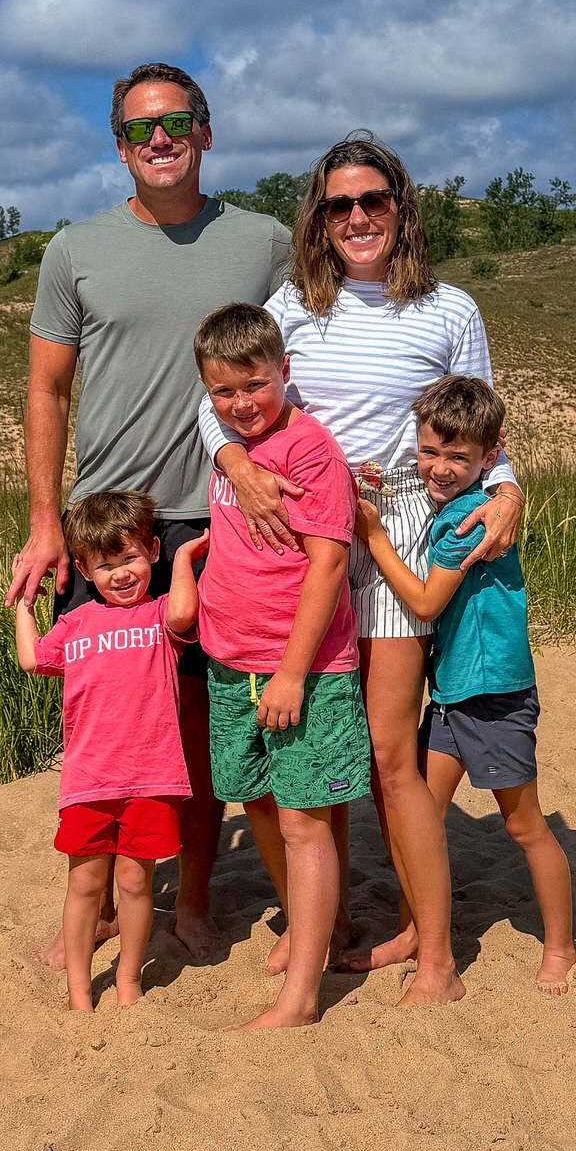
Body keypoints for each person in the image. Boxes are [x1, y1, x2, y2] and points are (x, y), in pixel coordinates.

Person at [199, 134, 523, 1006]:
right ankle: (327, 923)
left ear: (401, 206)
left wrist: (510, 493)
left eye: (372, 199)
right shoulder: (294, 307)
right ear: (318, 217)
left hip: (397, 531)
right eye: (338, 204)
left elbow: (485, 434)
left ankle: (437, 958)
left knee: (386, 750)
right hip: (296, 541)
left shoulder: (450, 309)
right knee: (314, 748)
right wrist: (234, 465)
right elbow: (220, 401)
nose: (357, 217)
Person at [7, 62, 293, 960]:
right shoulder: (74, 251)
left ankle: (195, 898)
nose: (160, 140)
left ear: (206, 132)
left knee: (201, 727)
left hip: (223, 520)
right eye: (140, 129)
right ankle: (91, 905)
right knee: (98, 721)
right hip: (108, 528)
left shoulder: (266, 242)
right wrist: (46, 524)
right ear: (119, 144)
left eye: (178, 122)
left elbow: (305, 363)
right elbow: (48, 391)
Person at [355, 376, 576, 995]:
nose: (441, 467)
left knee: (523, 824)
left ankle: (560, 946)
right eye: (430, 452)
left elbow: (424, 604)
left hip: (494, 695)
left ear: (490, 455)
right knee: (417, 810)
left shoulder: (469, 520)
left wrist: (373, 537)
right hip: (452, 694)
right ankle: (415, 931)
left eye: (459, 457)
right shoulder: (447, 508)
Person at [194, 304, 371, 1028]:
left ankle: (301, 998)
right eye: (223, 393)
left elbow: (328, 564)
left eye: (255, 385)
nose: (241, 404)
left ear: (285, 373)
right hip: (231, 663)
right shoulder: (233, 450)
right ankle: (310, 925)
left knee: (305, 821)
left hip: (301, 667)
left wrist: (295, 672)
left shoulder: (309, 450)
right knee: (257, 801)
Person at [14, 491, 207, 1010]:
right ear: (84, 569)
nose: (120, 574)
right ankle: (80, 989)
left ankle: (127, 979)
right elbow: (33, 661)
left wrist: (185, 557)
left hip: (152, 779)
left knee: (135, 884)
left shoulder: (160, 615)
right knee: (84, 885)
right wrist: (25, 607)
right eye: (105, 565)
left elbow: (187, 613)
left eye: (130, 559)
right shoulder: (74, 624)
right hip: (88, 781)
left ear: (151, 553)